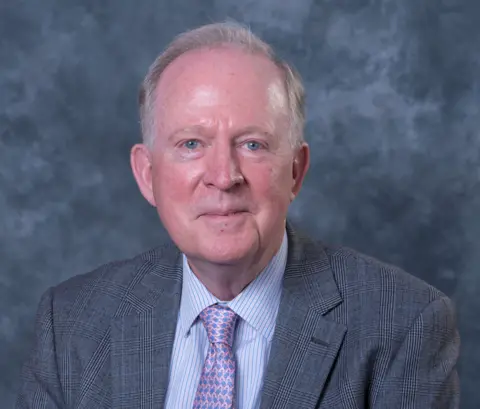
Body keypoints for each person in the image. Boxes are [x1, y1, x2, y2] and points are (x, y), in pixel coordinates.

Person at [16, 21, 460, 409]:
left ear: (295, 171)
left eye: (253, 144)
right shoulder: (73, 322)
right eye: (191, 144)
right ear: (147, 174)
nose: (224, 177)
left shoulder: (403, 324)